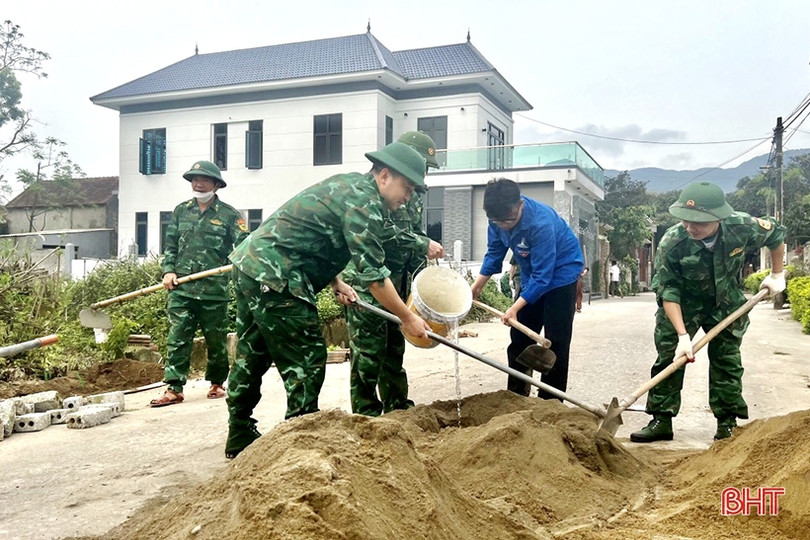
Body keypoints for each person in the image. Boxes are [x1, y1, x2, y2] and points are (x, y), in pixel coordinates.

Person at [224, 141, 433, 458]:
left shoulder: (350, 187)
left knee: (254, 350)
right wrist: (408, 317)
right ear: (385, 176)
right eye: (407, 188)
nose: (407, 198)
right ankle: (302, 445)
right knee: (307, 357)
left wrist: (336, 281)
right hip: (277, 274)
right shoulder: (364, 203)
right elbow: (375, 279)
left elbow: (313, 232)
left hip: (251, 266)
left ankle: (239, 431)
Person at [630, 181, 786, 443]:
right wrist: (682, 336)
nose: (691, 227)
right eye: (686, 221)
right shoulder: (673, 242)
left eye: (699, 222)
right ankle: (660, 420)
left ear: (718, 217)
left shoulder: (741, 226)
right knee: (669, 357)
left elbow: (776, 234)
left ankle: (727, 422)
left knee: (727, 360)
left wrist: (777, 273)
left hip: (726, 301)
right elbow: (668, 290)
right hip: (684, 304)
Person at [343, 131, 445, 417]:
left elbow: (415, 232)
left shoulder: (412, 194)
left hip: (397, 282)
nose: (423, 175)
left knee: (393, 350)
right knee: (368, 352)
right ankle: (366, 413)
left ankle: (397, 406)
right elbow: (384, 232)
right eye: (422, 165)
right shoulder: (372, 193)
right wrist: (420, 243)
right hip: (369, 284)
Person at [471, 178, 584, 399]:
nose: (504, 225)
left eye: (509, 220)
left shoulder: (541, 224)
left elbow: (545, 277)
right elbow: (494, 254)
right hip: (533, 272)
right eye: (498, 221)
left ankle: (550, 402)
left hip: (561, 275)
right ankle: (516, 396)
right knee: (520, 336)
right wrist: (476, 288)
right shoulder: (497, 219)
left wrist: (514, 307)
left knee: (556, 343)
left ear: (520, 204)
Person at [150, 160, 248, 407]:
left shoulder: (230, 215)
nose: (198, 183)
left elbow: (244, 246)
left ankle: (217, 382)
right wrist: (168, 271)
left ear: (216, 184)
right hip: (181, 287)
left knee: (215, 340)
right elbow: (170, 246)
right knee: (177, 336)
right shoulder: (181, 211)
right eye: (194, 179)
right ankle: (174, 387)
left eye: (203, 179)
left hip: (214, 290)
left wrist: (245, 265)